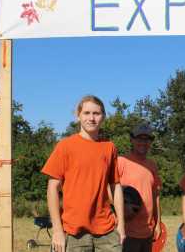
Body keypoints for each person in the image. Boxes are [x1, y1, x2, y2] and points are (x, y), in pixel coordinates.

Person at [41, 95, 125, 252]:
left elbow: (116, 186)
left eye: (96, 113)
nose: (91, 118)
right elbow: (52, 188)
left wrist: (121, 224)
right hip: (73, 231)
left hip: (106, 230)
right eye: (86, 113)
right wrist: (58, 231)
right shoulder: (65, 146)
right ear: (78, 115)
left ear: (104, 117)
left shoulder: (109, 147)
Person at [117, 123, 162, 252]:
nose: (143, 142)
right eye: (139, 138)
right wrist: (123, 206)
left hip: (147, 231)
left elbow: (155, 196)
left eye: (147, 139)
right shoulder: (121, 161)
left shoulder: (152, 165)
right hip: (127, 232)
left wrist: (157, 223)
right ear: (132, 140)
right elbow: (109, 190)